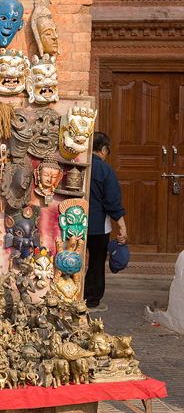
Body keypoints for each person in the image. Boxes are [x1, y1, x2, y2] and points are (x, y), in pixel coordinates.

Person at [85, 131, 127, 311]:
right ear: (103, 149)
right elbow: (112, 201)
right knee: (96, 262)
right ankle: (91, 299)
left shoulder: (80, 165)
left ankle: (71, 296)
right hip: (98, 226)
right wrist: (122, 226)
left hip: (73, 223)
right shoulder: (105, 169)